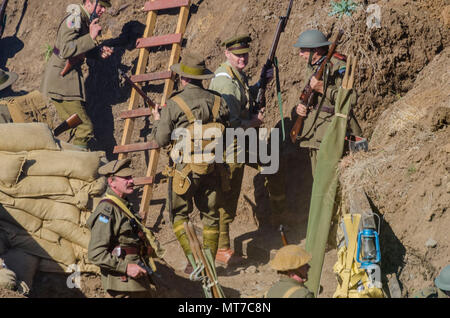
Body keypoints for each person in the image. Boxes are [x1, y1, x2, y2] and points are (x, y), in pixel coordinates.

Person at [149, 52, 230, 272]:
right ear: (202, 77)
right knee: (211, 216)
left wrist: (157, 121)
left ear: (183, 78)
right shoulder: (218, 100)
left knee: (179, 215)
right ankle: (210, 265)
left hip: (184, 170)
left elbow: (161, 139)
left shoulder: (174, 103)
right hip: (212, 167)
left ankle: (195, 263)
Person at [208, 34, 285, 266]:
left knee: (272, 162)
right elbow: (228, 123)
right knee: (227, 196)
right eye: (237, 55)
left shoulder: (235, 75)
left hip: (240, 138)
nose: (242, 59)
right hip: (228, 144)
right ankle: (222, 249)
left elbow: (244, 95)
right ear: (227, 54)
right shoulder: (225, 82)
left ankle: (280, 216)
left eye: (245, 55)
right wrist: (253, 123)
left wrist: (262, 83)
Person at [40, 0, 114, 149]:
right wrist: (90, 37)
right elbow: (66, 49)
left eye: (105, 7)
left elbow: (78, 47)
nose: (103, 10)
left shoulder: (84, 19)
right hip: (62, 81)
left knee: (78, 126)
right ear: (88, 2)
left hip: (67, 80)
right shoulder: (75, 18)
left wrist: (97, 52)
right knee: (84, 129)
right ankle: (78, 166)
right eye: (100, 6)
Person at [86, 158, 161, 298]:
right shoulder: (107, 210)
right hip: (122, 285)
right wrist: (126, 267)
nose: (131, 181)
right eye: (126, 178)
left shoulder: (124, 206)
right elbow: (95, 253)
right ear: (111, 182)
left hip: (136, 281)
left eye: (131, 177)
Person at [293, 29, 362, 175]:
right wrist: (301, 107)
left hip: (336, 133)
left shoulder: (338, 65)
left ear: (315, 50)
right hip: (316, 134)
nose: (300, 54)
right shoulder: (313, 67)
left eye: (303, 50)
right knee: (319, 182)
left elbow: (352, 99)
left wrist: (324, 90)